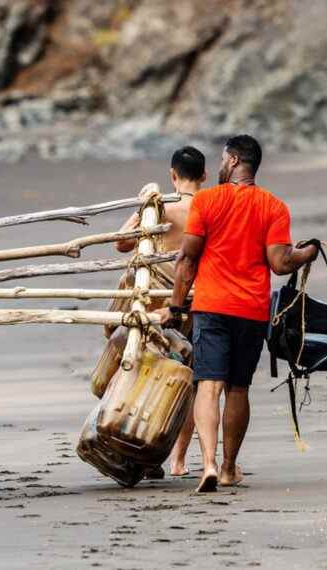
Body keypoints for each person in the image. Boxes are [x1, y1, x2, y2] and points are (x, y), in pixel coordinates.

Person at [161, 135, 318, 492]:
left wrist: (174, 305)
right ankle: (230, 467)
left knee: (208, 385)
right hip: (251, 310)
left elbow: (187, 260)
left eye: (221, 159)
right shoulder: (274, 206)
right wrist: (307, 253)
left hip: (212, 306)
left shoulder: (207, 201)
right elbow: (280, 263)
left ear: (232, 161)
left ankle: (209, 465)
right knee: (237, 388)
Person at [115, 145, 206, 477]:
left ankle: (143, 453)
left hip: (158, 304)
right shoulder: (210, 206)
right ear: (205, 176)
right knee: (189, 383)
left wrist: (145, 202)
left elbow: (122, 242)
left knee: (141, 373)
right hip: (197, 302)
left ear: (173, 175)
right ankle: (178, 459)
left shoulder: (161, 206)